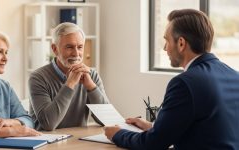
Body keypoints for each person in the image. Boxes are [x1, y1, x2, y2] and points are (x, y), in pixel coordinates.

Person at [105, 9, 239, 149]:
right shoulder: (235, 76)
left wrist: (117, 134)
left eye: (166, 40)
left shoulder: (184, 83)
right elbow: (208, 131)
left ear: (181, 43)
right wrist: (153, 127)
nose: (164, 48)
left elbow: (153, 144)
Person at [29, 22, 109, 131]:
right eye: (69, 47)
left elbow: (107, 120)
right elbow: (48, 124)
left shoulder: (92, 75)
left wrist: (91, 86)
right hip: (46, 144)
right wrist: (70, 84)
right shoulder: (38, 78)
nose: (76, 54)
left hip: (77, 142)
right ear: (55, 49)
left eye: (80, 47)